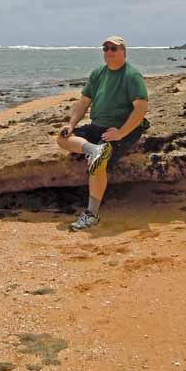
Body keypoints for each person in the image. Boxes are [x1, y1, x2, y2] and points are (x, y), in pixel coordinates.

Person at [57, 36, 149, 231]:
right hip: (97, 125)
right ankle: (92, 149)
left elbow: (140, 109)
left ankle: (92, 215)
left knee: (98, 166)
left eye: (113, 48)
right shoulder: (98, 73)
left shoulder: (132, 76)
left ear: (123, 51)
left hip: (120, 129)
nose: (108, 52)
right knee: (62, 138)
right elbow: (83, 102)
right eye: (105, 48)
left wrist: (121, 133)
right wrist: (71, 125)